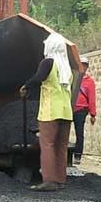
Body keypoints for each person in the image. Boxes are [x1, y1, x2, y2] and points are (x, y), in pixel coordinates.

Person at [20, 33, 74, 192]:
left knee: (48, 144)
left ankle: (49, 180)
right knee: (61, 146)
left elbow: (39, 78)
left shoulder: (49, 62)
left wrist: (26, 86)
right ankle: (60, 179)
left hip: (51, 110)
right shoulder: (66, 66)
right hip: (66, 111)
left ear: (49, 47)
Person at [73, 56, 97, 165]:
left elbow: (92, 98)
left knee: (79, 132)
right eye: (81, 64)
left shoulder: (89, 82)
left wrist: (93, 114)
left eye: (84, 64)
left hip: (81, 110)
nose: (83, 66)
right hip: (69, 108)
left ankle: (77, 155)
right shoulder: (72, 77)